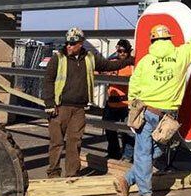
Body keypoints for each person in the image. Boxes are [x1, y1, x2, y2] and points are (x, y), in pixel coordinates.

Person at [114, 12, 191, 196]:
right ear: (169, 39)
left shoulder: (144, 62)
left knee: (146, 154)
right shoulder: (180, 55)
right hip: (168, 117)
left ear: (152, 41)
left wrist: (133, 109)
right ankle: (141, 191)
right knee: (156, 151)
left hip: (147, 112)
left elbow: (134, 87)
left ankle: (134, 185)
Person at [43, 27, 131, 178]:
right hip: (60, 107)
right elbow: (48, 81)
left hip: (79, 109)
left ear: (80, 43)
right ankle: (53, 173)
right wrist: (50, 104)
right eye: (67, 43)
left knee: (74, 142)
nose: (69, 46)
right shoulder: (58, 58)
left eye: (72, 43)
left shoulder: (90, 58)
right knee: (56, 142)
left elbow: (109, 65)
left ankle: (72, 175)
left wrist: (129, 61)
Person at [102, 39, 135, 161]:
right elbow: (99, 71)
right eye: (119, 51)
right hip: (111, 103)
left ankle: (127, 156)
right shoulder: (111, 63)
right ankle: (113, 154)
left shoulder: (132, 65)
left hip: (126, 104)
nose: (121, 53)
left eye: (124, 51)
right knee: (110, 131)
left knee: (128, 133)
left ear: (128, 52)